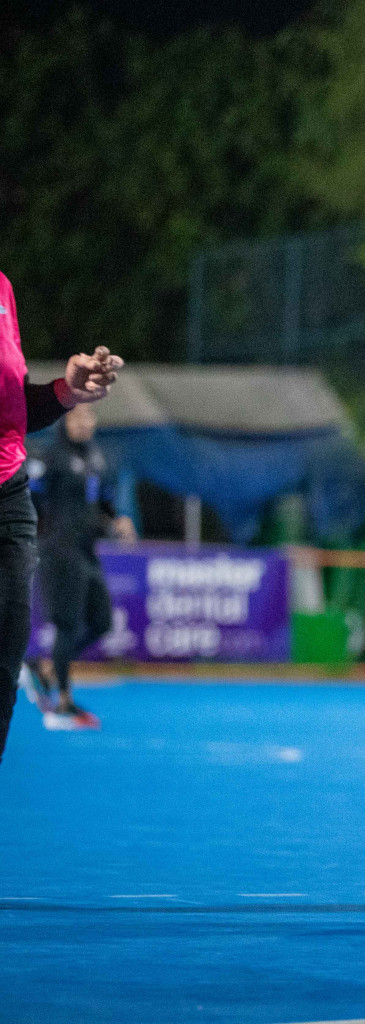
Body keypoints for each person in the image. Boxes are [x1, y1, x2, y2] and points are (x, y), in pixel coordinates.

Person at [0, 269, 123, 764]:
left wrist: (64, 393)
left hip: (8, 497)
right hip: (58, 547)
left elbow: (14, 410)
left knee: (5, 665)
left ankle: (55, 686)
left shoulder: (3, 288)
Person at [22, 403, 136, 728]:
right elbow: (30, 494)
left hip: (87, 550)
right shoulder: (51, 456)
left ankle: (44, 669)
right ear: (65, 421)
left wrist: (118, 521)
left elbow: (104, 501)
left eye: (88, 416)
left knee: (101, 621)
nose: (84, 422)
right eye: (76, 416)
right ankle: (62, 703)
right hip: (59, 550)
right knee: (67, 625)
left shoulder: (96, 458)